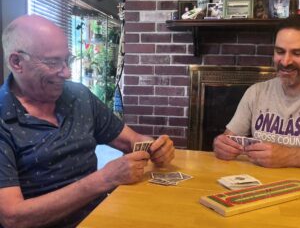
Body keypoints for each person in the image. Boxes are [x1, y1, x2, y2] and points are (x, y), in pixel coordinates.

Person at [0, 15, 175, 228]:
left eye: (67, 60)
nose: (67, 72)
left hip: (102, 215)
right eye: (53, 62)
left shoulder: (79, 95)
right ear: (16, 62)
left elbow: (131, 141)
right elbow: (12, 217)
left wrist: (156, 148)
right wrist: (104, 180)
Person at [213, 14, 300, 168]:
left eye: (297, 53)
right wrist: (220, 145)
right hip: (260, 187)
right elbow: (228, 139)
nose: (285, 61)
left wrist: (290, 156)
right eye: (280, 52)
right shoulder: (256, 92)